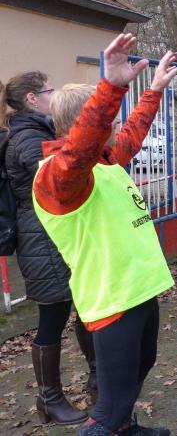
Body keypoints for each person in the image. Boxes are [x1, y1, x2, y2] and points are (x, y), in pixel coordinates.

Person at [31, 34, 177, 435]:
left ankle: (125, 428)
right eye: (108, 119)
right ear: (86, 128)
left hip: (139, 289)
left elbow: (131, 134)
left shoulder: (106, 161)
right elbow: (79, 150)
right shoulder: (58, 178)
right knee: (110, 408)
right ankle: (112, 426)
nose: (116, 124)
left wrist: (153, 91)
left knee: (139, 370)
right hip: (113, 300)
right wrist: (111, 87)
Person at [1, 72, 95, 424]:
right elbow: (57, 177)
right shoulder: (27, 138)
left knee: (85, 306)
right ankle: (49, 399)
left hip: (55, 234)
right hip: (42, 239)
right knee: (53, 316)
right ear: (31, 98)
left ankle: (98, 378)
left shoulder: (39, 130)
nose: (53, 95)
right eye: (48, 90)